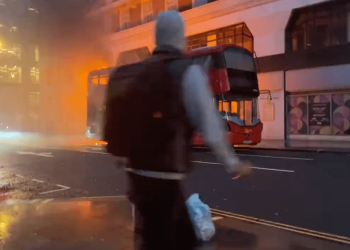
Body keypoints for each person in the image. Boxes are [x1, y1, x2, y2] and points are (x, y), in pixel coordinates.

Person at [114, 10, 254, 250]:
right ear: (180, 37)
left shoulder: (138, 73)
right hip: (166, 181)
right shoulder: (189, 73)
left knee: (151, 239)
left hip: (136, 179)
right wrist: (234, 164)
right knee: (177, 241)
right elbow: (211, 129)